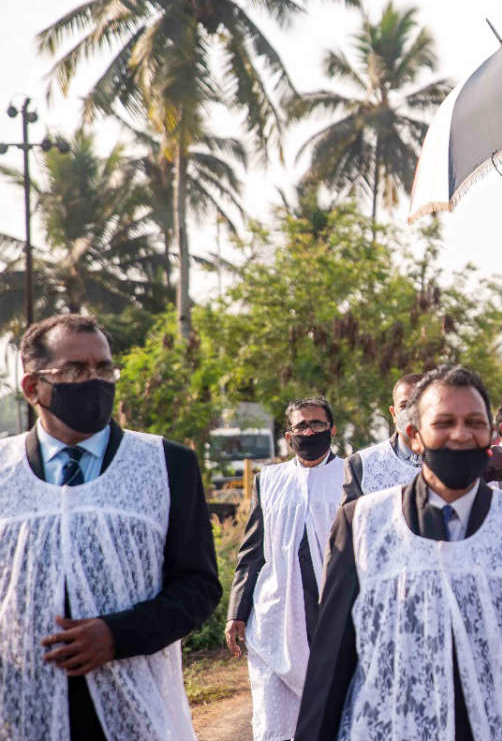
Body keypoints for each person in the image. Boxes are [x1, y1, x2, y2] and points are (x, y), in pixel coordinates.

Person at [295, 365, 502, 741]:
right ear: (414, 435)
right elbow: (331, 660)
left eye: (474, 422)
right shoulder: (362, 523)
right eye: (444, 423)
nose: (461, 434)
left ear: (489, 436)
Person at [1, 314, 220, 740]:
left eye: (103, 368)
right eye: (75, 370)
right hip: (21, 714)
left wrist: (117, 635)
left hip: (133, 712)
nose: (95, 380)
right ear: (32, 388)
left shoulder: (166, 464)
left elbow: (199, 586)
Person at [227, 397, 344, 741]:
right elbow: (251, 552)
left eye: (317, 424)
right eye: (301, 426)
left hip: (331, 611)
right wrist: (237, 612)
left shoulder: (352, 473)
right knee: (274, 720)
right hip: (275, 616)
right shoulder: (270, 479)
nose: (309, 431)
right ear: (289, 434)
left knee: (332, 713)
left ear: (331, 429)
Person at [340, 373, 424, 504]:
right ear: (393, 414)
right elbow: (350, 522)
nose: (412, 411)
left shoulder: (458, 458)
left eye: (420, 403)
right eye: (404, 406)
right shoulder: (360, 465)